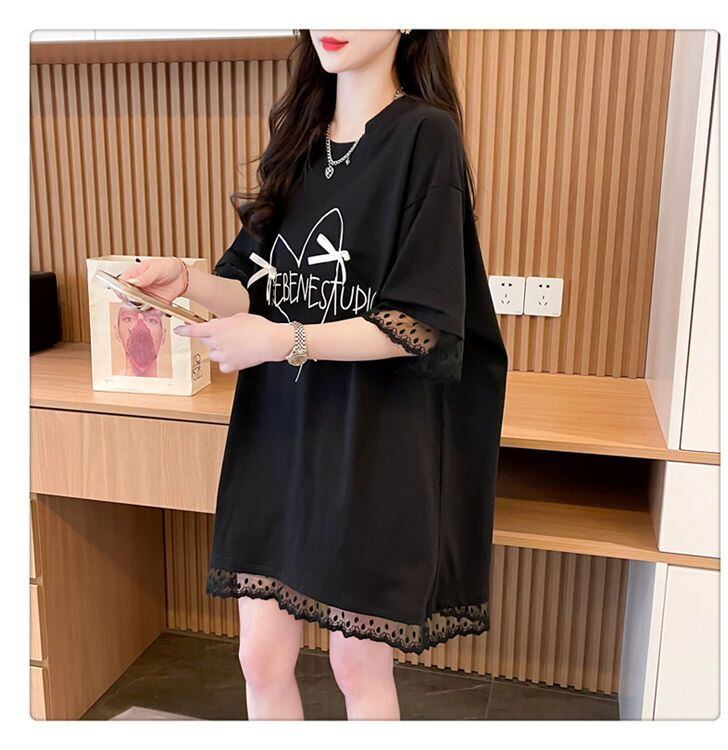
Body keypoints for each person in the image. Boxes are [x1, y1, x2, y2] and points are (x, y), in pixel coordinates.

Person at [119, 29, 508, 721]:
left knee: (356, 665)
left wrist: (281, 340)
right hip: (279, 428)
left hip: (372, 437)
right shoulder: (299, 137)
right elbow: (251, 285)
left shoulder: (426, 137)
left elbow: (419, 323)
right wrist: (187, 280)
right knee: (259, 657)